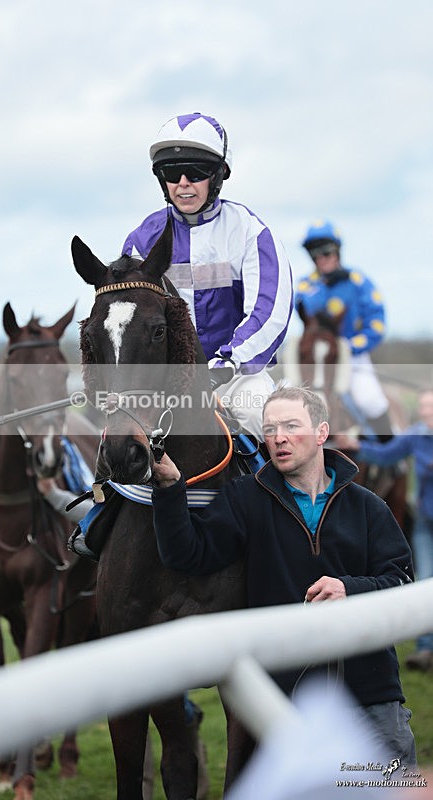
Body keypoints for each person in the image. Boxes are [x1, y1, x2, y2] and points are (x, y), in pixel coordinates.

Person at [151, 385, 416, 767]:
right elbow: (186, 555)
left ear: (322, 433)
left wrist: (350, 589)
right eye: (270, 428)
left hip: (371, 697)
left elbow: (402, 585)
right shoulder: (245, 499)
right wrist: (169, 488)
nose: (278, 437)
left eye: (291, 426)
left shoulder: (368, 507)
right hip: (285, 705)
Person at [122, 111, 294, 442]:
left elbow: (269, 313)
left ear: (218, 175)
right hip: (163, 383)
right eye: (172, 172)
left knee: (260, 415)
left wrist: (228, 363)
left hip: (236, 379)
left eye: (196, 172)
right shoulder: (141, 241)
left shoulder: (250, 232)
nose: (183, 183)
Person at [336, 389, 433, 672]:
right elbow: (388, 455)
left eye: (430, 407)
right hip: (426, 522)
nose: (425, 412)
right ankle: (426, 648)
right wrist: (355, 445)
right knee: (426, 580)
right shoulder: (416, 435)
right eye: (423, 407)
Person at [295, 220, 393, 441]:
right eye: (315, 254)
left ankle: (391, 452)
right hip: (317, 359)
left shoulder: (358, 281)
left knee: (370, 401)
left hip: (352, 356)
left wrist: (349, 346)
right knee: (286, 396)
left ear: (337, 251)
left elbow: (377, 324)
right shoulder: (306, 286)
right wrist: (327, 285)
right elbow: (311, 316)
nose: (321, 258)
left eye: (326, 252)